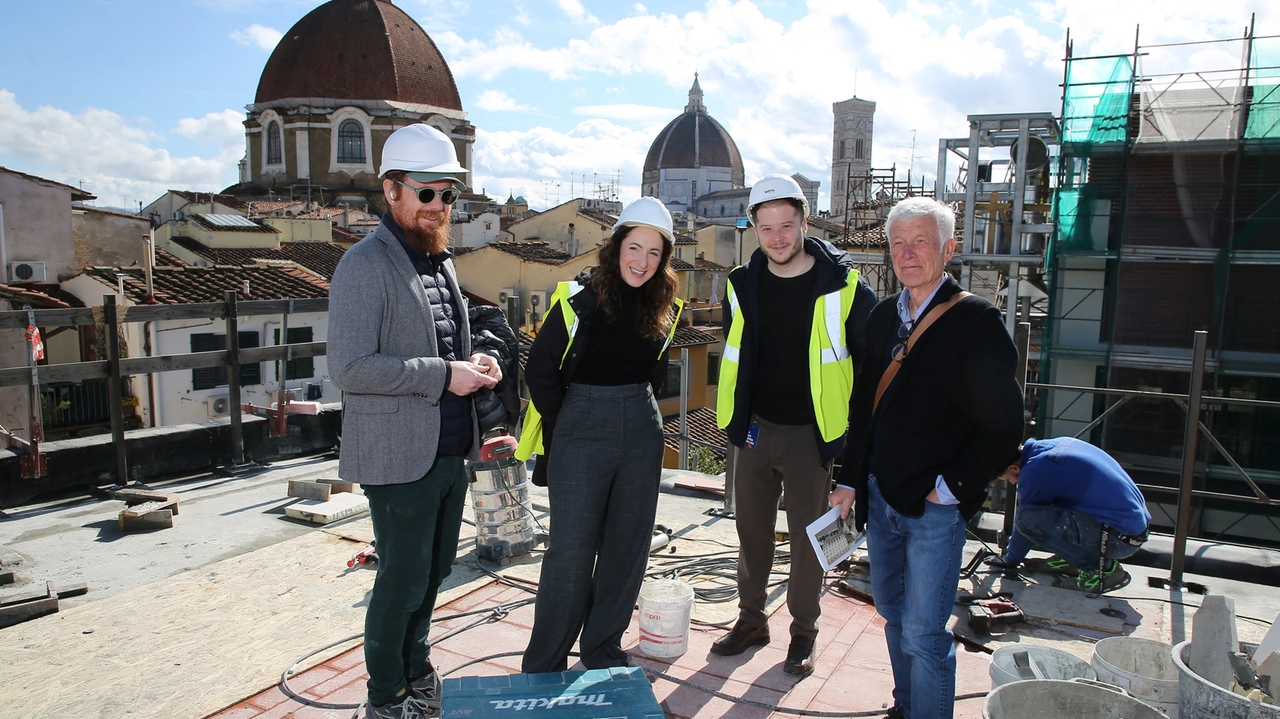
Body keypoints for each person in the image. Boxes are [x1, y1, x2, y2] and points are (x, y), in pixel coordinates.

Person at [328, 123, 502, 719]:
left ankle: (416, 673)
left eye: (448, 195)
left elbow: (449, 338)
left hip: (448, 451)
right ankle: (385, 699)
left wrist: (476, 361)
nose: (438, 207)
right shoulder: (363, 264)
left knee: (431, 577)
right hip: (399, 456)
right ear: (392, 191)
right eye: (426, 193)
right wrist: (441, 375)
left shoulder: (439, 263)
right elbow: (349, 367)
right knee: (400, 583)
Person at [831, 196, 1023, 719]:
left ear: (948, 249)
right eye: (898, 243)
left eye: (921, 242)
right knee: (892, 614)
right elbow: (862, 408)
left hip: (934, 508)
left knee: (923, 632)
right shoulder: (879, 318)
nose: (908, 253)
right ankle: (905, 707)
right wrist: (850, 480)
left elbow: (1005, 424)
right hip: (879, 494)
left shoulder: (976, 321)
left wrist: (952, 488)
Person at [713, 174, 877, 677]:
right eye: (766, 228)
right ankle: (750, 621)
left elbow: (870, 370)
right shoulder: (740, 285)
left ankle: (803, 631)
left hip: (812, 436)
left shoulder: (845, 287)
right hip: (756, 432)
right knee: (751, 534)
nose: (778, 237)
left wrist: (852, 450)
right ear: (754, 230)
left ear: (805, 223)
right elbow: (736, 353)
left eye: (787, 225)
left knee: (813, 539)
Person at [517, 197, 684, 673]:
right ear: (616, 248)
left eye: (654, 253)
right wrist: (567, 421)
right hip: (581, 426)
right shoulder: (580, 301)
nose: (642, 261)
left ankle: (602, 649)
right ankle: (545, 661)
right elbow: (540, 371)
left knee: (627, 546)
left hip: (641, 423)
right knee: (571, 550)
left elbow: (654, 372)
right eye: (635, 248)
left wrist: (638, 412)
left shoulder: (664, 306)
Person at [993, 437, 1150, 593]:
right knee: (1047, 507)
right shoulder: (1057, 444)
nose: (1013, 483)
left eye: (1009, 479)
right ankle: (1072, 559)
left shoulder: (1036, 471)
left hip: (1119, 541)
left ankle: (1101, 571)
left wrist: (1010, 560)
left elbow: (1026, 523)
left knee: (1026, 518)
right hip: (1133, 530)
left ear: (1014, 468)